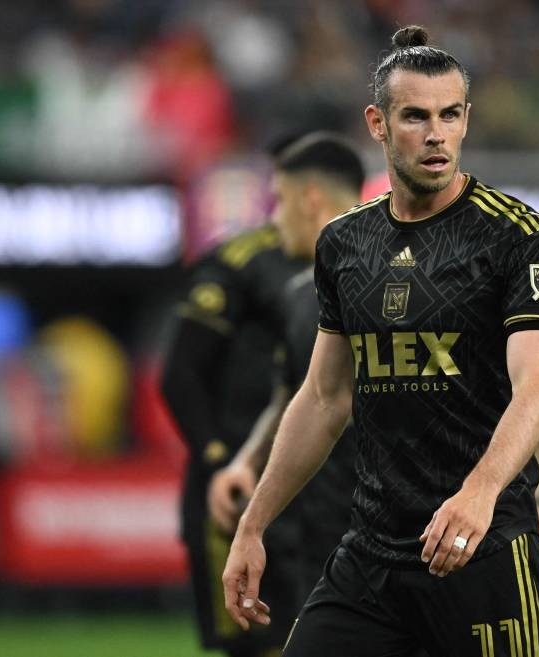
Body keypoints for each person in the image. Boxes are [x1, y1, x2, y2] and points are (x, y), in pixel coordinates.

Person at [223, 25, 539, 656]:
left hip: (481, 548)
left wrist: (480, 493)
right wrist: (254, 524)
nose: (436, 134)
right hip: (372, 560)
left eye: (450, 115)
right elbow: (323, 398)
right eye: (415, 116)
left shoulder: (517, 237)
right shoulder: (344, 243)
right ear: (377, 124)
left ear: (466, 120)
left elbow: (536, 389)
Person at [207, 132, 366, 619]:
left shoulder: (398, 286)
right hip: (321, 532)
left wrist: (527, 500)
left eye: (279, 200)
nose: (275, 220)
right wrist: (246, 462)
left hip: (397, 533)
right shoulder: (300, 297)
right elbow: (295, 394)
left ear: (310, 199)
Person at [161, 158, 308, 656]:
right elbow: (179, 376)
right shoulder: (238, 265)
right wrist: (220, 459)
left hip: (319, 491)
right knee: (258, 641)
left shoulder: (355, 261)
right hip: (241, 485)